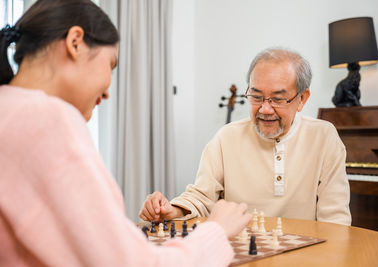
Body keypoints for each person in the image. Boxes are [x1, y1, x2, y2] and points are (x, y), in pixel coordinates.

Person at [0, 1, 252, 266]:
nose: (108, 92)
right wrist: (217, 231)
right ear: (75, 42)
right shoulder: (47, 120)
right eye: (110, 64)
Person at [140, 48, 352, 226]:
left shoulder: (324, 137)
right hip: (241, 252)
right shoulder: (226, 137)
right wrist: (172, 210)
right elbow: (201, 197)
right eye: (256, 97)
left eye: (277, 99)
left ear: (302, 99)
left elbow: (335, 218)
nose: (265, 109)